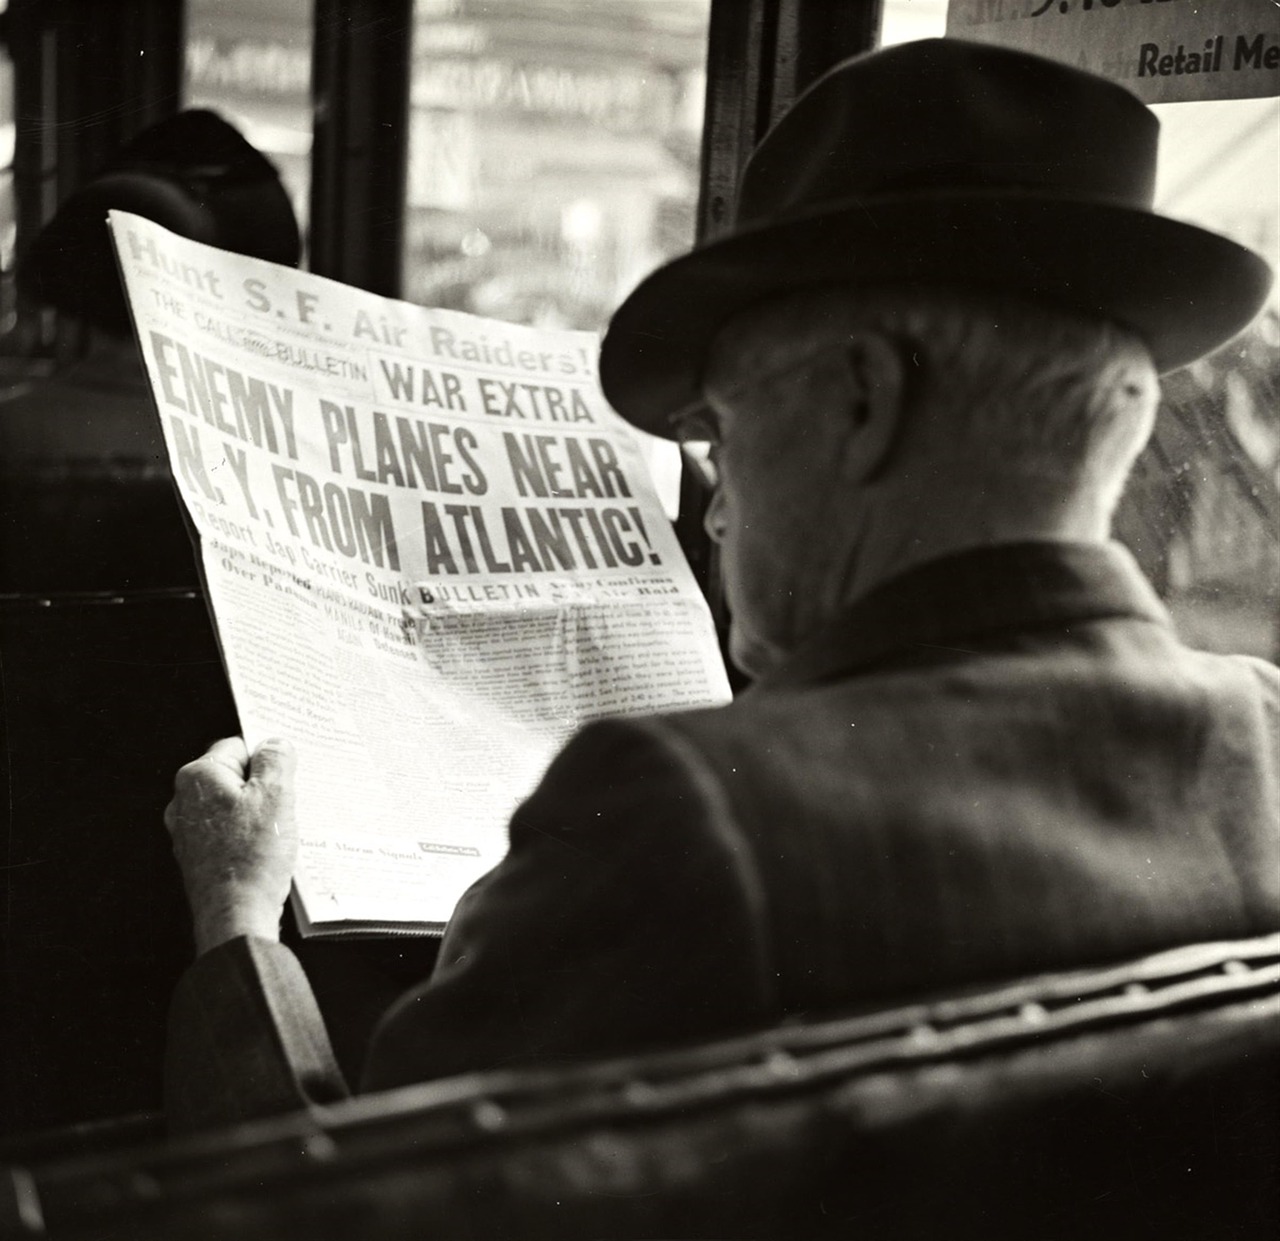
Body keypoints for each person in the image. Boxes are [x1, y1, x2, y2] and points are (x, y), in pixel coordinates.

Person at [162, 38, 1280, 1132]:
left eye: (721, 428)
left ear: (861, 401)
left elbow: (326, 1212)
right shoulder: (1263, 737)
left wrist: (239, 916)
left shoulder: (676, 814)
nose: (710, 506)